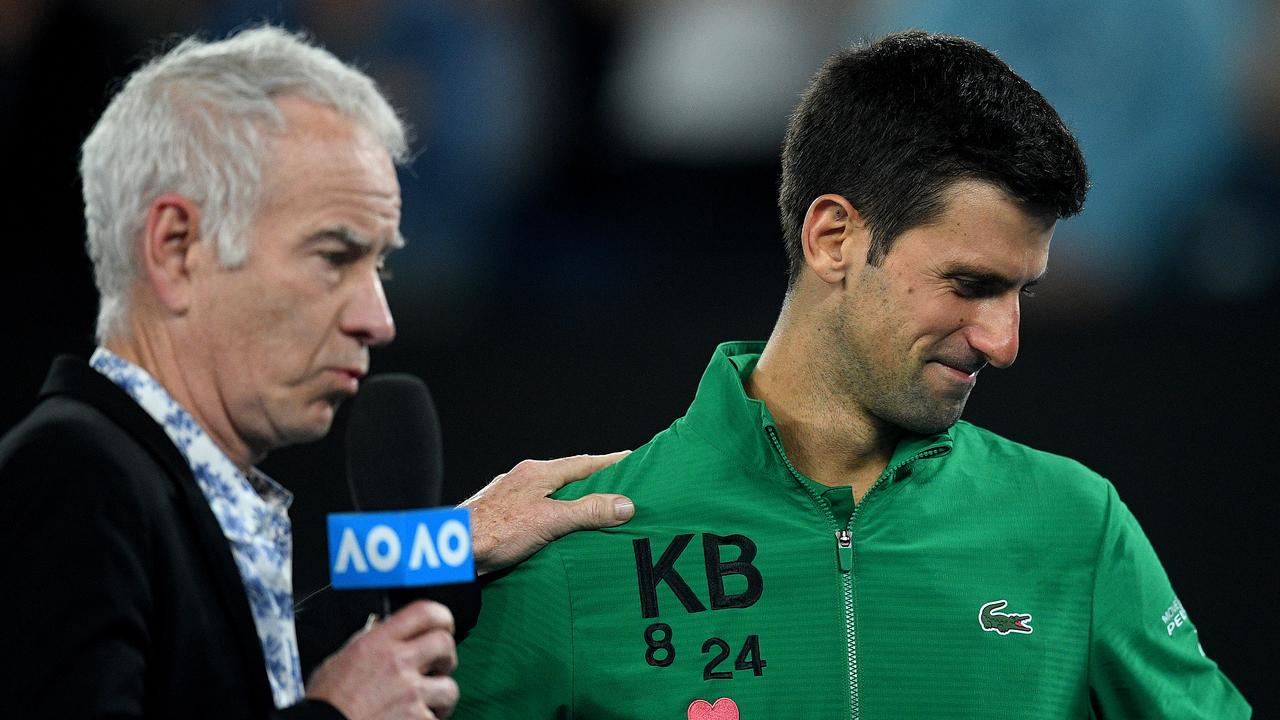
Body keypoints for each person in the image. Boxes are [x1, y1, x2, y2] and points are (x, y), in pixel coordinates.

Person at [452, 31, 1251, 718]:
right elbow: (333, 662)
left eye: (1021, 292)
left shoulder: (1078, 526)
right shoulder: (571, 547)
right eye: (970, 285)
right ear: (834, 238)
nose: (1003, 342)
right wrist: (424, 546)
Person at [0, 26, 634, 720]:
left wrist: (451, 545)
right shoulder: (75, 475)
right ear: (176, 248)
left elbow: (228, 695)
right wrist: (336, 715)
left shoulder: (148, 482)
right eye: (335, 255)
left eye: (380, 265)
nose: (379, 318)